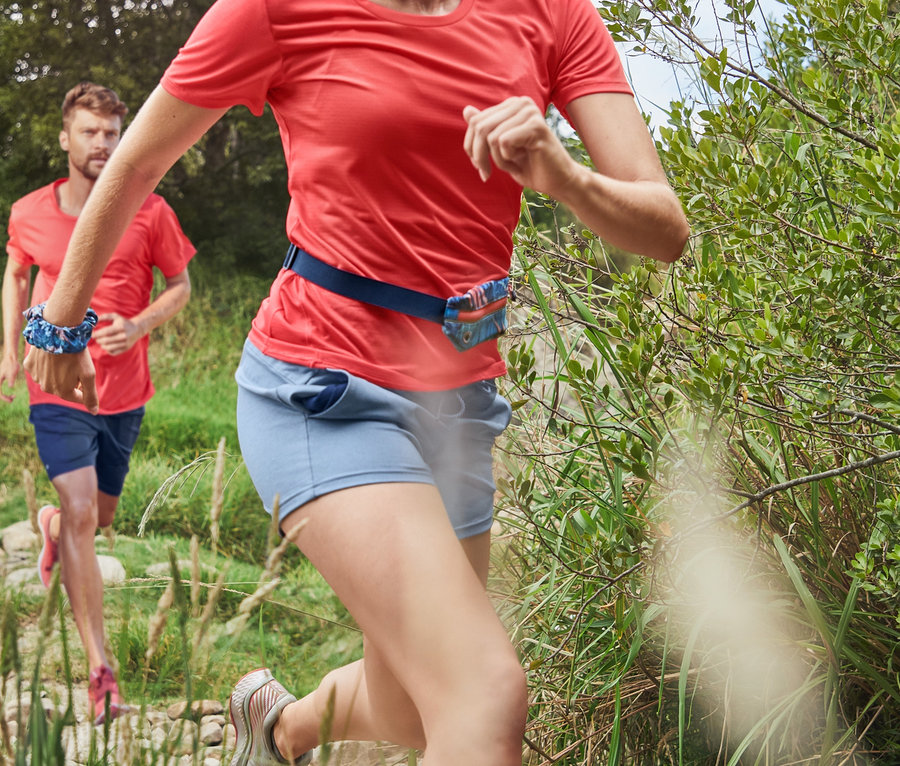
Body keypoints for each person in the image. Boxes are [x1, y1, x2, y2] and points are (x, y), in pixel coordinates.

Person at [24, 0, 689, 762]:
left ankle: (279, 729)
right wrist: (60, 322)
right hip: (321, 387)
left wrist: (566, 177)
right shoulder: (276, 10)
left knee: (415, 713)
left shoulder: (553, 14)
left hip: (460, 406)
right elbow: (139, 163)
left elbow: (664, 228)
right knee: (483, 695)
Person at [1, 81, 195, 726]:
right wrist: (9, 349)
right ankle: (100, 672)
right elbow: (16, 275)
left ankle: (54, 530)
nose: (101, 143)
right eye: (89, 131)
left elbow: (182, 286)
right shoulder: (30, 211)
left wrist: (140, 325)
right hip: (56, 386)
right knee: (83, 510)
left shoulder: (152, 211)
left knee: (99, 515)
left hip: (125, 389)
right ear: (65, 137)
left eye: (112, 132)